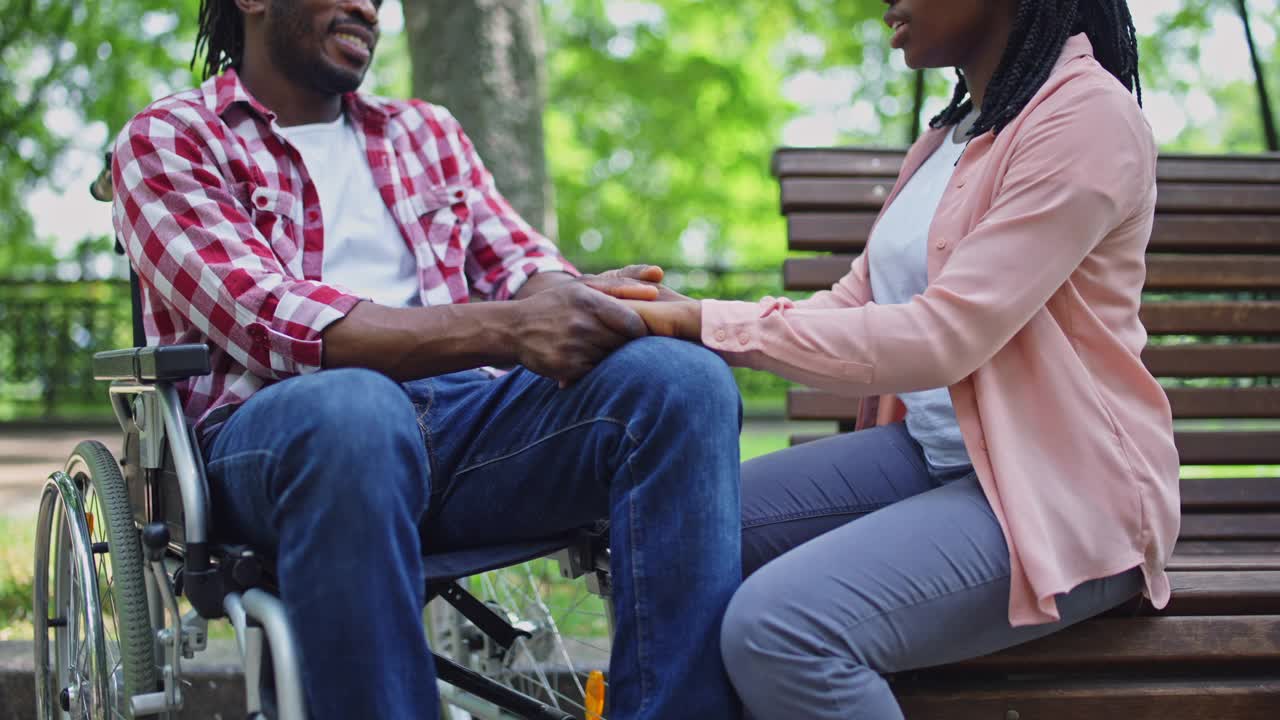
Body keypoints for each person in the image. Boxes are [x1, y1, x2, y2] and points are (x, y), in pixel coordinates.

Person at [110, 1, 742, 718]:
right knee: (356, 407)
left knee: (679, 384)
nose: (368, 6)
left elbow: (526, 267)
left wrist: (592, 301)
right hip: (276, 434)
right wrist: (511, 327)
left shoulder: (424, 132)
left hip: (466, 425)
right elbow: (273, 325)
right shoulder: (171, 138)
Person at [609, 1, 1178, 717]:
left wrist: (702, 323)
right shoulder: (954, 131)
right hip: (939, 458)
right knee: (676, 524)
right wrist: (677, 311)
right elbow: (854, 301)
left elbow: (943, 337)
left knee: (781, 631)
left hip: (1065, 493)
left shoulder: (1086, 119)